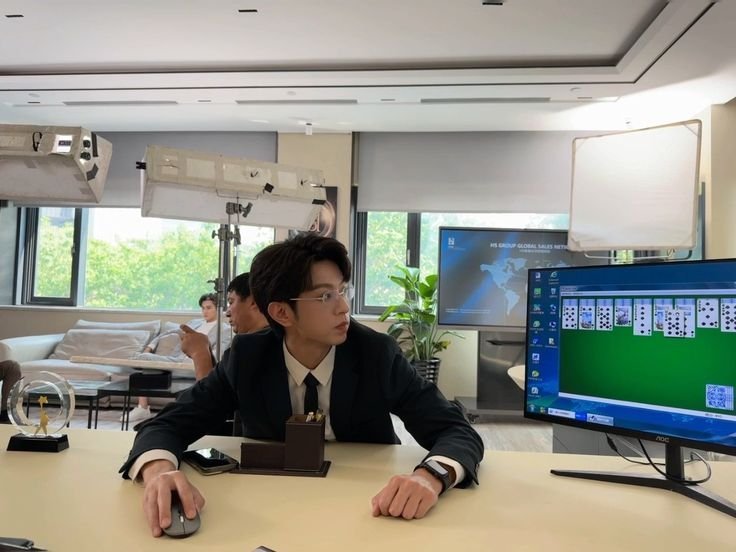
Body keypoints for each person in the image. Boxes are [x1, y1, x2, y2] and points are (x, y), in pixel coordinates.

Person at [119, 234, 483, 537]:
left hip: (370, 511)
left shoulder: (376, 354)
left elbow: (455, 429)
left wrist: (429, 477)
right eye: (326, 296)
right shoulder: (248, 357)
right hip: (268, 513)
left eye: (342, 291)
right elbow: (167, 424)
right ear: (281, 312)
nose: (344, 308)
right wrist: (160, 472)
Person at [123, 293, 231, 423]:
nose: (205, 311)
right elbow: (170, 332)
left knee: (139, 359)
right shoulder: (194, 323)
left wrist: (199, 354)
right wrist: (150, 346)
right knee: (147, 369)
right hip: (176, 360)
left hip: (192, 364)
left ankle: (144, 408)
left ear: (218, 309)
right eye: (203, 308)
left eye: (209, 308)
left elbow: (216, 354)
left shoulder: (224, 330)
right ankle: (142, 407)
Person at [181, 272, 269, 381]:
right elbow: (221, 382)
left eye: (231, 302)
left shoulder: (246, 346)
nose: (227, 313)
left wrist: (200, 353)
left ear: (253, 302)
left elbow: (209, 392)